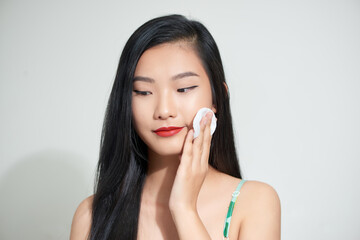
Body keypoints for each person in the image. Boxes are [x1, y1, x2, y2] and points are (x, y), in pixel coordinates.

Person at [70, 14, 281, 240]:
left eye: (183, 88)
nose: (164, 110)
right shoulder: (91, 217)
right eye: (143, 92)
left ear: (217, 98)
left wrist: (184, 209)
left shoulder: (253, 203)